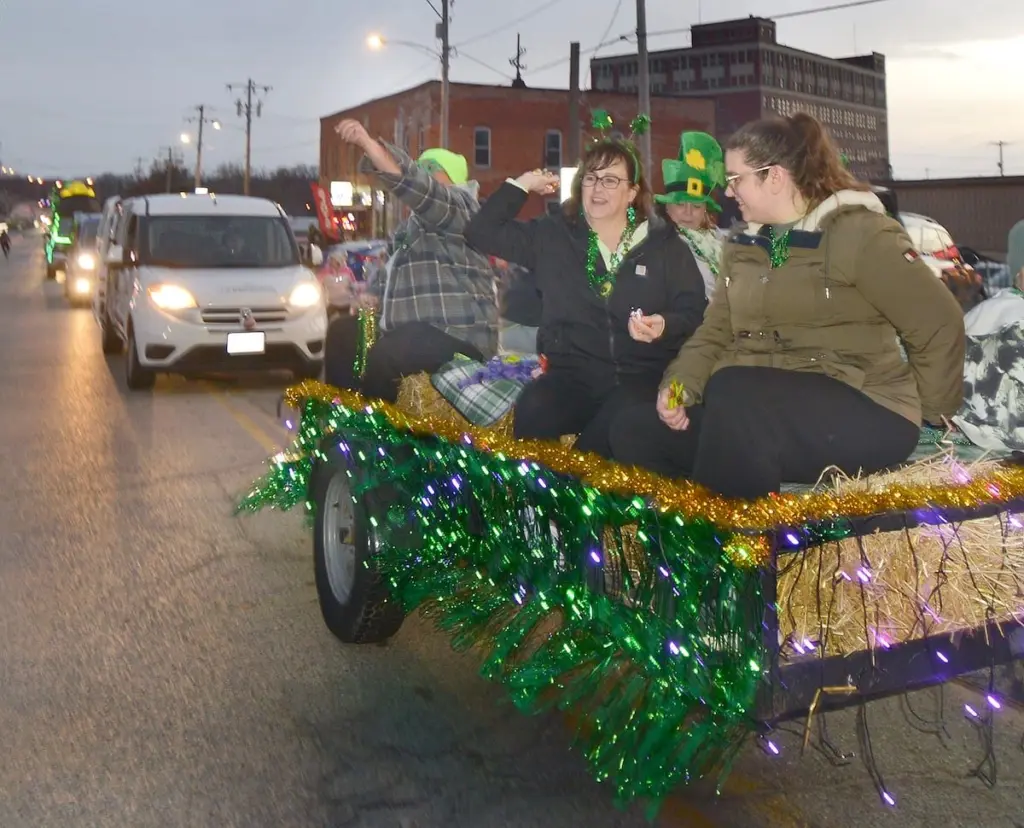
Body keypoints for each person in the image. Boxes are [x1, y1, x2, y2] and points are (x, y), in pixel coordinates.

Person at [609, 112, 966, 500]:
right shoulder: (743, 247)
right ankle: (690, 524)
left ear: (774, 177)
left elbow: (937, 321)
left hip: (866, 406)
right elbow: (715, 332)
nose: (728, 191)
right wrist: (679, 387)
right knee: (634, 430)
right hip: (762, 410)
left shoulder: (859, 233)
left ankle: (738, 535)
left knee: (735, 390)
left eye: (736, 179)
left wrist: (933, 416)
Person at [465, 137, 708, 458]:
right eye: (591, 178)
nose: (597, 188)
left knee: (604, 438)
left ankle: (572, 481)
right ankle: (536, 488)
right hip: (573, 375)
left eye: (610, 180)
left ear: (632, 193)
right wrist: (523, 184)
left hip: (641, 376)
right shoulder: (553, 235)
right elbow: (480, 232)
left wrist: (664, 324)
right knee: (534, 409)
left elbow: (693, 311)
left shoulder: (663, 245)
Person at [323, 120, 499, 402]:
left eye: (431, 168)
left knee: (389, 355)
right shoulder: (409, 229)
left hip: (459, 335)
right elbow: (389, 272)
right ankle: (344, 415)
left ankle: (379, 426)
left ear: (454, 179)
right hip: (410, 331)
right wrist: (372, 294)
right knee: (342, 333)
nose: (424, 174)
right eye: (421, 166)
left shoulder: (463, 208)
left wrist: (368, 144)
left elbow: (421, 189)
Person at [654, 131, 726, 298]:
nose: (688, 212)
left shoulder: (722, 242)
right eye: (680, 204)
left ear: (705, 209)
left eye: (696, 206)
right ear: (667, 206)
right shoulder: (656, 246)